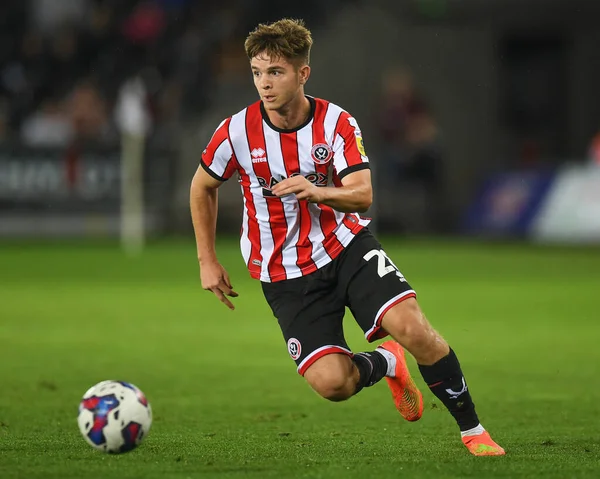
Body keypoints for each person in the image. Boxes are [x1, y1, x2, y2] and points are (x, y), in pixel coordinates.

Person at [190, 18, 504, 456]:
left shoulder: (336, 123)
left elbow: (363, 195)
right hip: (283, 272)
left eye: (276, 72)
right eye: (258, 73)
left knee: (413, 327)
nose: (264, 83)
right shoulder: (236, 132)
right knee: (333, 384)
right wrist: (207, 259)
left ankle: (474, 431)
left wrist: (316, 190)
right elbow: (201, 186)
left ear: (303, 74)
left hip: (344, 247)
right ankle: (386, 362)